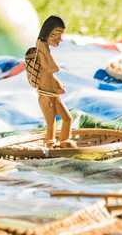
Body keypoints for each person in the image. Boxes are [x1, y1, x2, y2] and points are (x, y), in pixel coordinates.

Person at [24, 16, 72, 146]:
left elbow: (48, 73)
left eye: (60, 35)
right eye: (55, 35)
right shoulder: (41, 45)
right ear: (47, 33)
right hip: (46, 95)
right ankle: (52, 144)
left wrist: (57, 84)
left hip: (51, 93)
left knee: (67, 119)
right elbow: (51, 68)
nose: (59, 39)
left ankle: (63, 142)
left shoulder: (44, 46)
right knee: (51, 123)